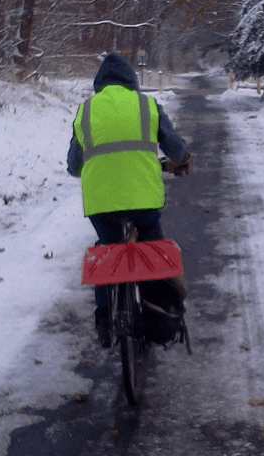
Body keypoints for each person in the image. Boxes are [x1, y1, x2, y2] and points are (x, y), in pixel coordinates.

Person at [67, 53, 192, 347]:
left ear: (99, 85)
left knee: (107, 248)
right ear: (132, 81)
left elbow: (74, 165)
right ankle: (158, 312)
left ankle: (103, 315)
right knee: (152, 251)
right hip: (143, 198)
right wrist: (183, 158)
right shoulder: (147, 105)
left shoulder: (85, 111)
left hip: (101, 202)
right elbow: (174, 149)